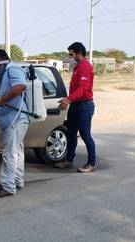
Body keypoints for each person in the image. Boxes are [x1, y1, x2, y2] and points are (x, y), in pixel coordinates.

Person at [0, 49, 29, 198]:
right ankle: (17, 181)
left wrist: (2, 100)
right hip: (13, 118)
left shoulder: (13, 69)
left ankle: (7, 186)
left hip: (16, 118)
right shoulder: (5, 72)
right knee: (17, 152)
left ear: (2, 60)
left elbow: (21, 86)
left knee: (9, 153)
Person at [55, 42, 96, 173]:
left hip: (84, 106)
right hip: (75, 105)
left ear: (79, 53)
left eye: (72, 54)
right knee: (71, 133)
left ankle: (91, 163)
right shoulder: (78, 66)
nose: (71, 57)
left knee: (85, 135)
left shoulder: (85, 66)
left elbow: (83, 89)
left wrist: (69, 99)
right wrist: (69, 99)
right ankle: (69, 160)